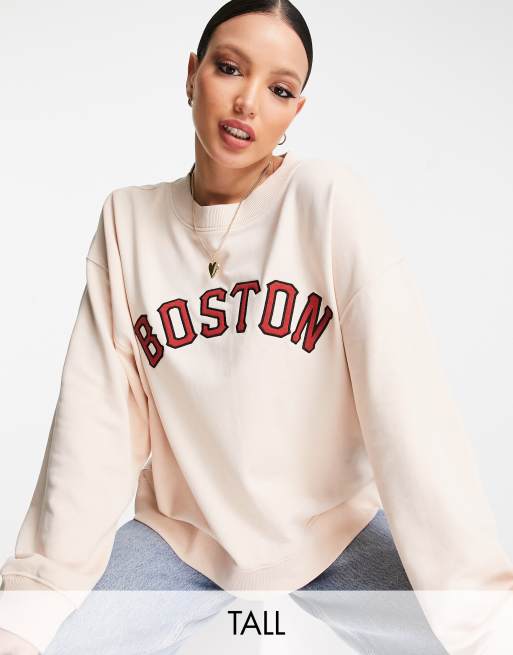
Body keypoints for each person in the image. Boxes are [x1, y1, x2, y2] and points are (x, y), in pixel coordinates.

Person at [1, 1, 512, 653]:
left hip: (331, 536)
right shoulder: (128, 222)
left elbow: (407, 406)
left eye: (279, 89)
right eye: (228, 68)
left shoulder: (327, 202)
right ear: (191, 74)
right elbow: (94, 424)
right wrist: (37, 595)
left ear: (296, 110)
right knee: (43, 641)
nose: (247, 101)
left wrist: (477, 603)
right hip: (182, 542)